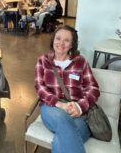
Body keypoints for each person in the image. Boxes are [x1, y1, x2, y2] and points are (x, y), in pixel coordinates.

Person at [34, 25, 100, 153]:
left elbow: (93, 88)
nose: (61, 43)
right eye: (58, 38)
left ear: (72, 45)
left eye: (66, 40)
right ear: (53, 40)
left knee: (63, 138)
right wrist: (59, 104)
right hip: (51, 106)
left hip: (76, 109)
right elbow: (40, 88)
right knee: (64, 122)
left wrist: (80, 106)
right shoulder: (43, 61)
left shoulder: (80, 62)